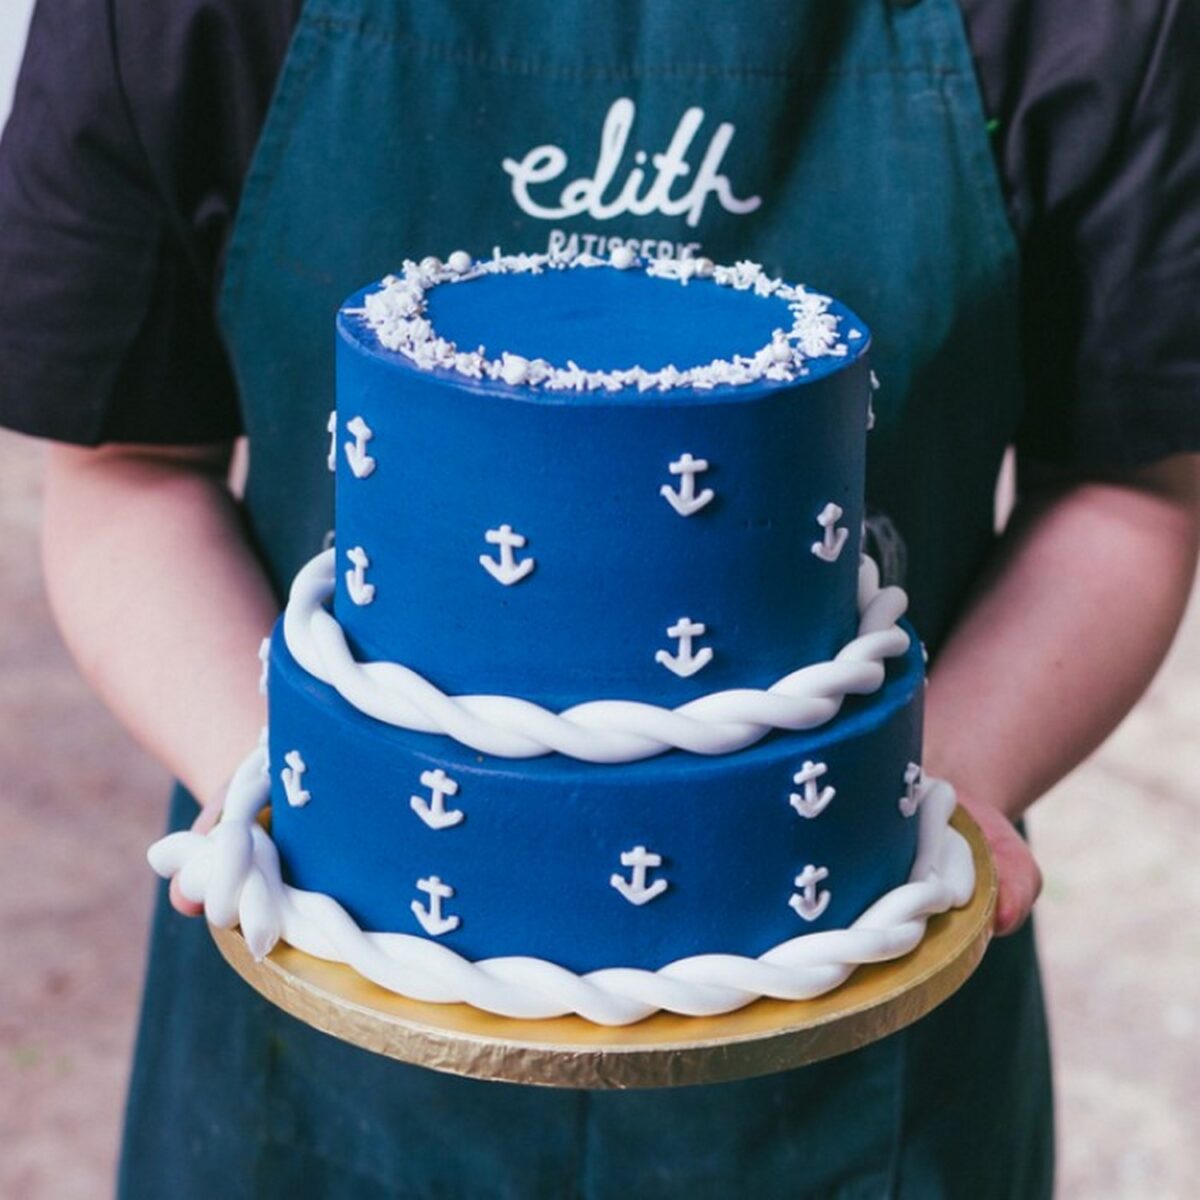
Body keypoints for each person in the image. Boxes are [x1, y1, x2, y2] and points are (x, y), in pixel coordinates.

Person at [2, 1, 1197, 1195]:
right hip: (318, 1018)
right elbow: (129, 474)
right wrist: (301, 793)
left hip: (852, 1018)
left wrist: (941, 782)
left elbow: (1128, 485)